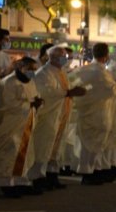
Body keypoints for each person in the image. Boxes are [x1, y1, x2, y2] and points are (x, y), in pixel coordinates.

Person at [0, 56, 42, 198]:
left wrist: (37, 103)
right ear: (20, 67)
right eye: (29, 69)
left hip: (25, 123)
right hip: (9, 124)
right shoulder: (8, 82)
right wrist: (29, 105)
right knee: (8, 154)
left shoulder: (30, 82)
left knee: (24, 153)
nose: (32, 72)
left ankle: (21, 181)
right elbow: (8, 104)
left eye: (34, 69)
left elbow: (34, 96)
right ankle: (7, 184)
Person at [27, 45, 85, 189]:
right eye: (61, 55)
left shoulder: (61, 72)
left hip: (61, 114)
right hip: (49, 115)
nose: (65, 58)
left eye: (65, 55)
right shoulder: (44, 73)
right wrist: (68, 92)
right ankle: (38, 177)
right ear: (51, 57)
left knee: (57, 147)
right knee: (43, 146)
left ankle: (52, 175)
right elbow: (46, 92)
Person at [70, 42, 116, 185]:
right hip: (98, 112)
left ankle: (95, 170)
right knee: (93, 144)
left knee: (92, 144)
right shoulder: (100, 72)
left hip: (87, 110)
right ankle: (88, 172)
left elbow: (78, 84)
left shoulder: (83, 69)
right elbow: (111, 90)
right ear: (106, 56)